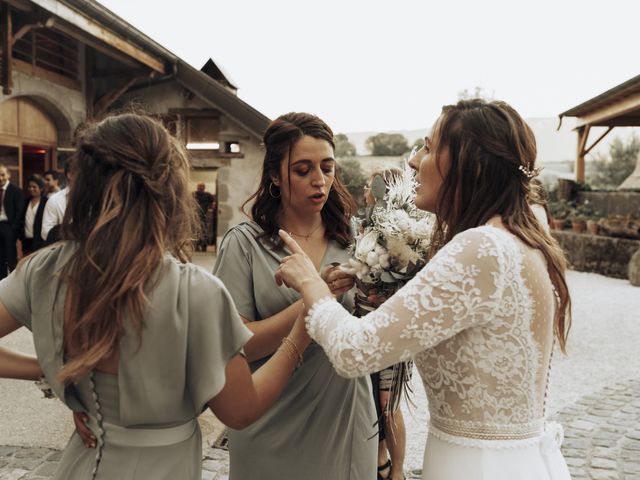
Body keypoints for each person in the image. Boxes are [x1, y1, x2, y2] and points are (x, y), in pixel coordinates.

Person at [0, 113, 313, 480]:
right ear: (171, 190)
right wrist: (306, 318)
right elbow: (241, 411)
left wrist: (58, 371)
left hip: (81, 465)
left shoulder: (43, 269)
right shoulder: (197, 292)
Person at [275, 99, 573, 480]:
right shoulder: (523, 237)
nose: (415, 161)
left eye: (430, 147)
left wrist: (309, 282)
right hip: (509, 459)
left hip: (478, 467)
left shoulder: (482, 247)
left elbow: (355, 351)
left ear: (467, 164)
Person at [213, 112, 377, 479]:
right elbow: (234, 347)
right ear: (274, 174)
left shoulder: (357, 240)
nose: (319, 181)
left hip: (345, 416)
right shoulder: (244, 244)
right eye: (302, 170)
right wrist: (312, 299)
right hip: (269, 419)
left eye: (327, 168)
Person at [362, 168, 411, 480]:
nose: (367, 189)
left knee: (387, 403)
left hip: (393, 330)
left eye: (371, 185)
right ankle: (379, 460)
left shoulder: (401, 232)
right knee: (370, 401)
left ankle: (399, 471)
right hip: (366, 326)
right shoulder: (366, 226)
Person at [41, 160, 75, 244]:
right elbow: (46, 232)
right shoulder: (55, 200)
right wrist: (70, 232)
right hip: (64, 250)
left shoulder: (96, 198)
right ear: (70, 174)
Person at [0, 165, 24, 279]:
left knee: (10, 257)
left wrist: (13, 229)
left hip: (9, 227)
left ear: (8, 175)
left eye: (2, 174)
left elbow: (20, 212)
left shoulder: (16, 191)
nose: (0, 178)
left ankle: (12, 281)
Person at [19, 174, 48, 255]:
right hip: (26, 241)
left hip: (40, 241)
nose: (31, 189)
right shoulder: (25, 202)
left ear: (41, 188)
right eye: (30, 186)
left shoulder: (46, 202)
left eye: (34, 187)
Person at [193, 182, 214, 252]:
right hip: (194, 217)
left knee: (204, 232)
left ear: (204, 187)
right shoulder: (193, 195)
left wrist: (212, 206)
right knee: (195, 233)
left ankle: (204, 247)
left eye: (202, 186)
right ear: (197, 187)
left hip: (204, 217)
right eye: (199, 186)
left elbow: (214, 202)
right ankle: (196, 247)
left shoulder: (207, 195)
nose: (200, 187)